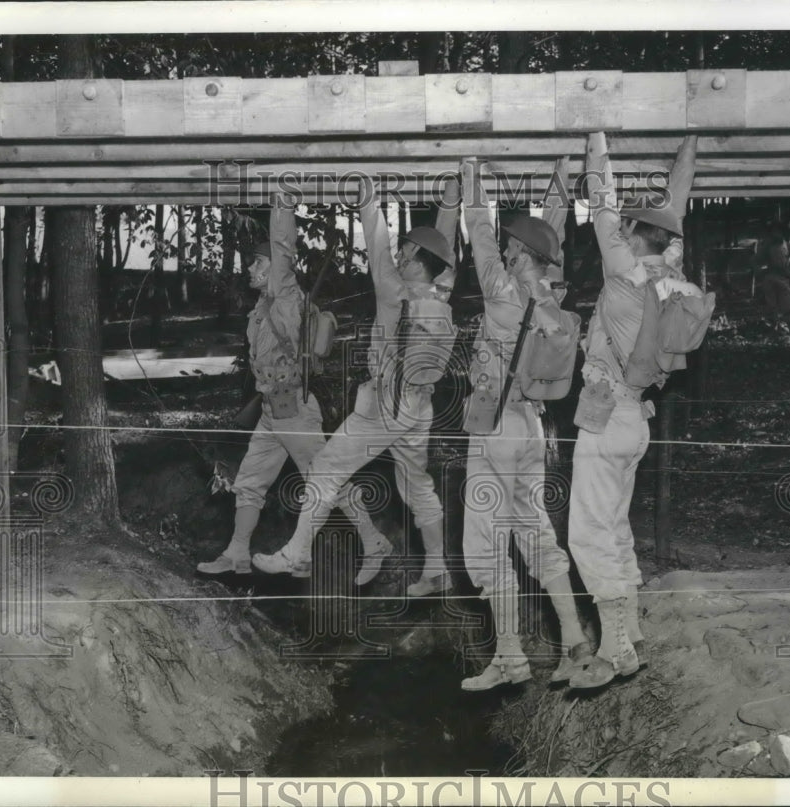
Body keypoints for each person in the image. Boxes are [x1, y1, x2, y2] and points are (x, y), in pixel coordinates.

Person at [251, 177, 459, 593]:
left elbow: (377, 243)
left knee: (325, 469)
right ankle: (436, 570)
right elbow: (443, 241)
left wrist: (367, 193)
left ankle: (297, 554)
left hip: (385, 404)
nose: (399, 254)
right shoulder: (442, 294)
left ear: (416, 256)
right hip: (419, 406)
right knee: (417, 484)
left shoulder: (393, 291)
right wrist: (451, 200)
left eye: (407, 250)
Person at [457, 157, 609, 692]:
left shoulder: (502, 292)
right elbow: (555, 228)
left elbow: (477, 228)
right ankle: (574, 643)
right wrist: (561, 182)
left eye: (510, 247)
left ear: (521, 255)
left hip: (495, 430)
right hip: (533, 429)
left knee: (485, 543)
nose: (501, 250)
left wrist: (470, 174)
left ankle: (509, 656)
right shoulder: (553, 297)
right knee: (536, 535)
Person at [197, 195, 388, 584]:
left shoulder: (285, 297)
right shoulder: (264, 304)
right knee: (250, 481)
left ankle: (373, 542)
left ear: (276, 268)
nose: (251, 267)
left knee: (325, 479)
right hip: (272, 409)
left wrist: (280, 204)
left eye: (259, 262)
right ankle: (237, 554)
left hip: (295, 411)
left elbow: (283, 247)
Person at [567, 132, 700, 689]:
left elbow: (602, 206)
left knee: (588, 534)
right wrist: (686, 152)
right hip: (637, 418)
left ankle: (615, 649)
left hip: (605, 419)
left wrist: (597, 143)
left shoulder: (623, 273)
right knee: (615, 528)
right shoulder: (676, 279)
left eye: (626, 227)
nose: (617, 229)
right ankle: (633, 635)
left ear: (633, 235)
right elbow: (675, 212)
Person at [758, 222, 790, 341]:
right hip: (769, 278)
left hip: (783, 279)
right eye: (773, 231)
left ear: (782, 233)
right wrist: (760, 270)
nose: (775, 234)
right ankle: (775, 333)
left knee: (787, 308)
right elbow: (756, 260)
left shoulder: (789, 245)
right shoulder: (767, 246)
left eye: (778, 231)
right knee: (772, 308)